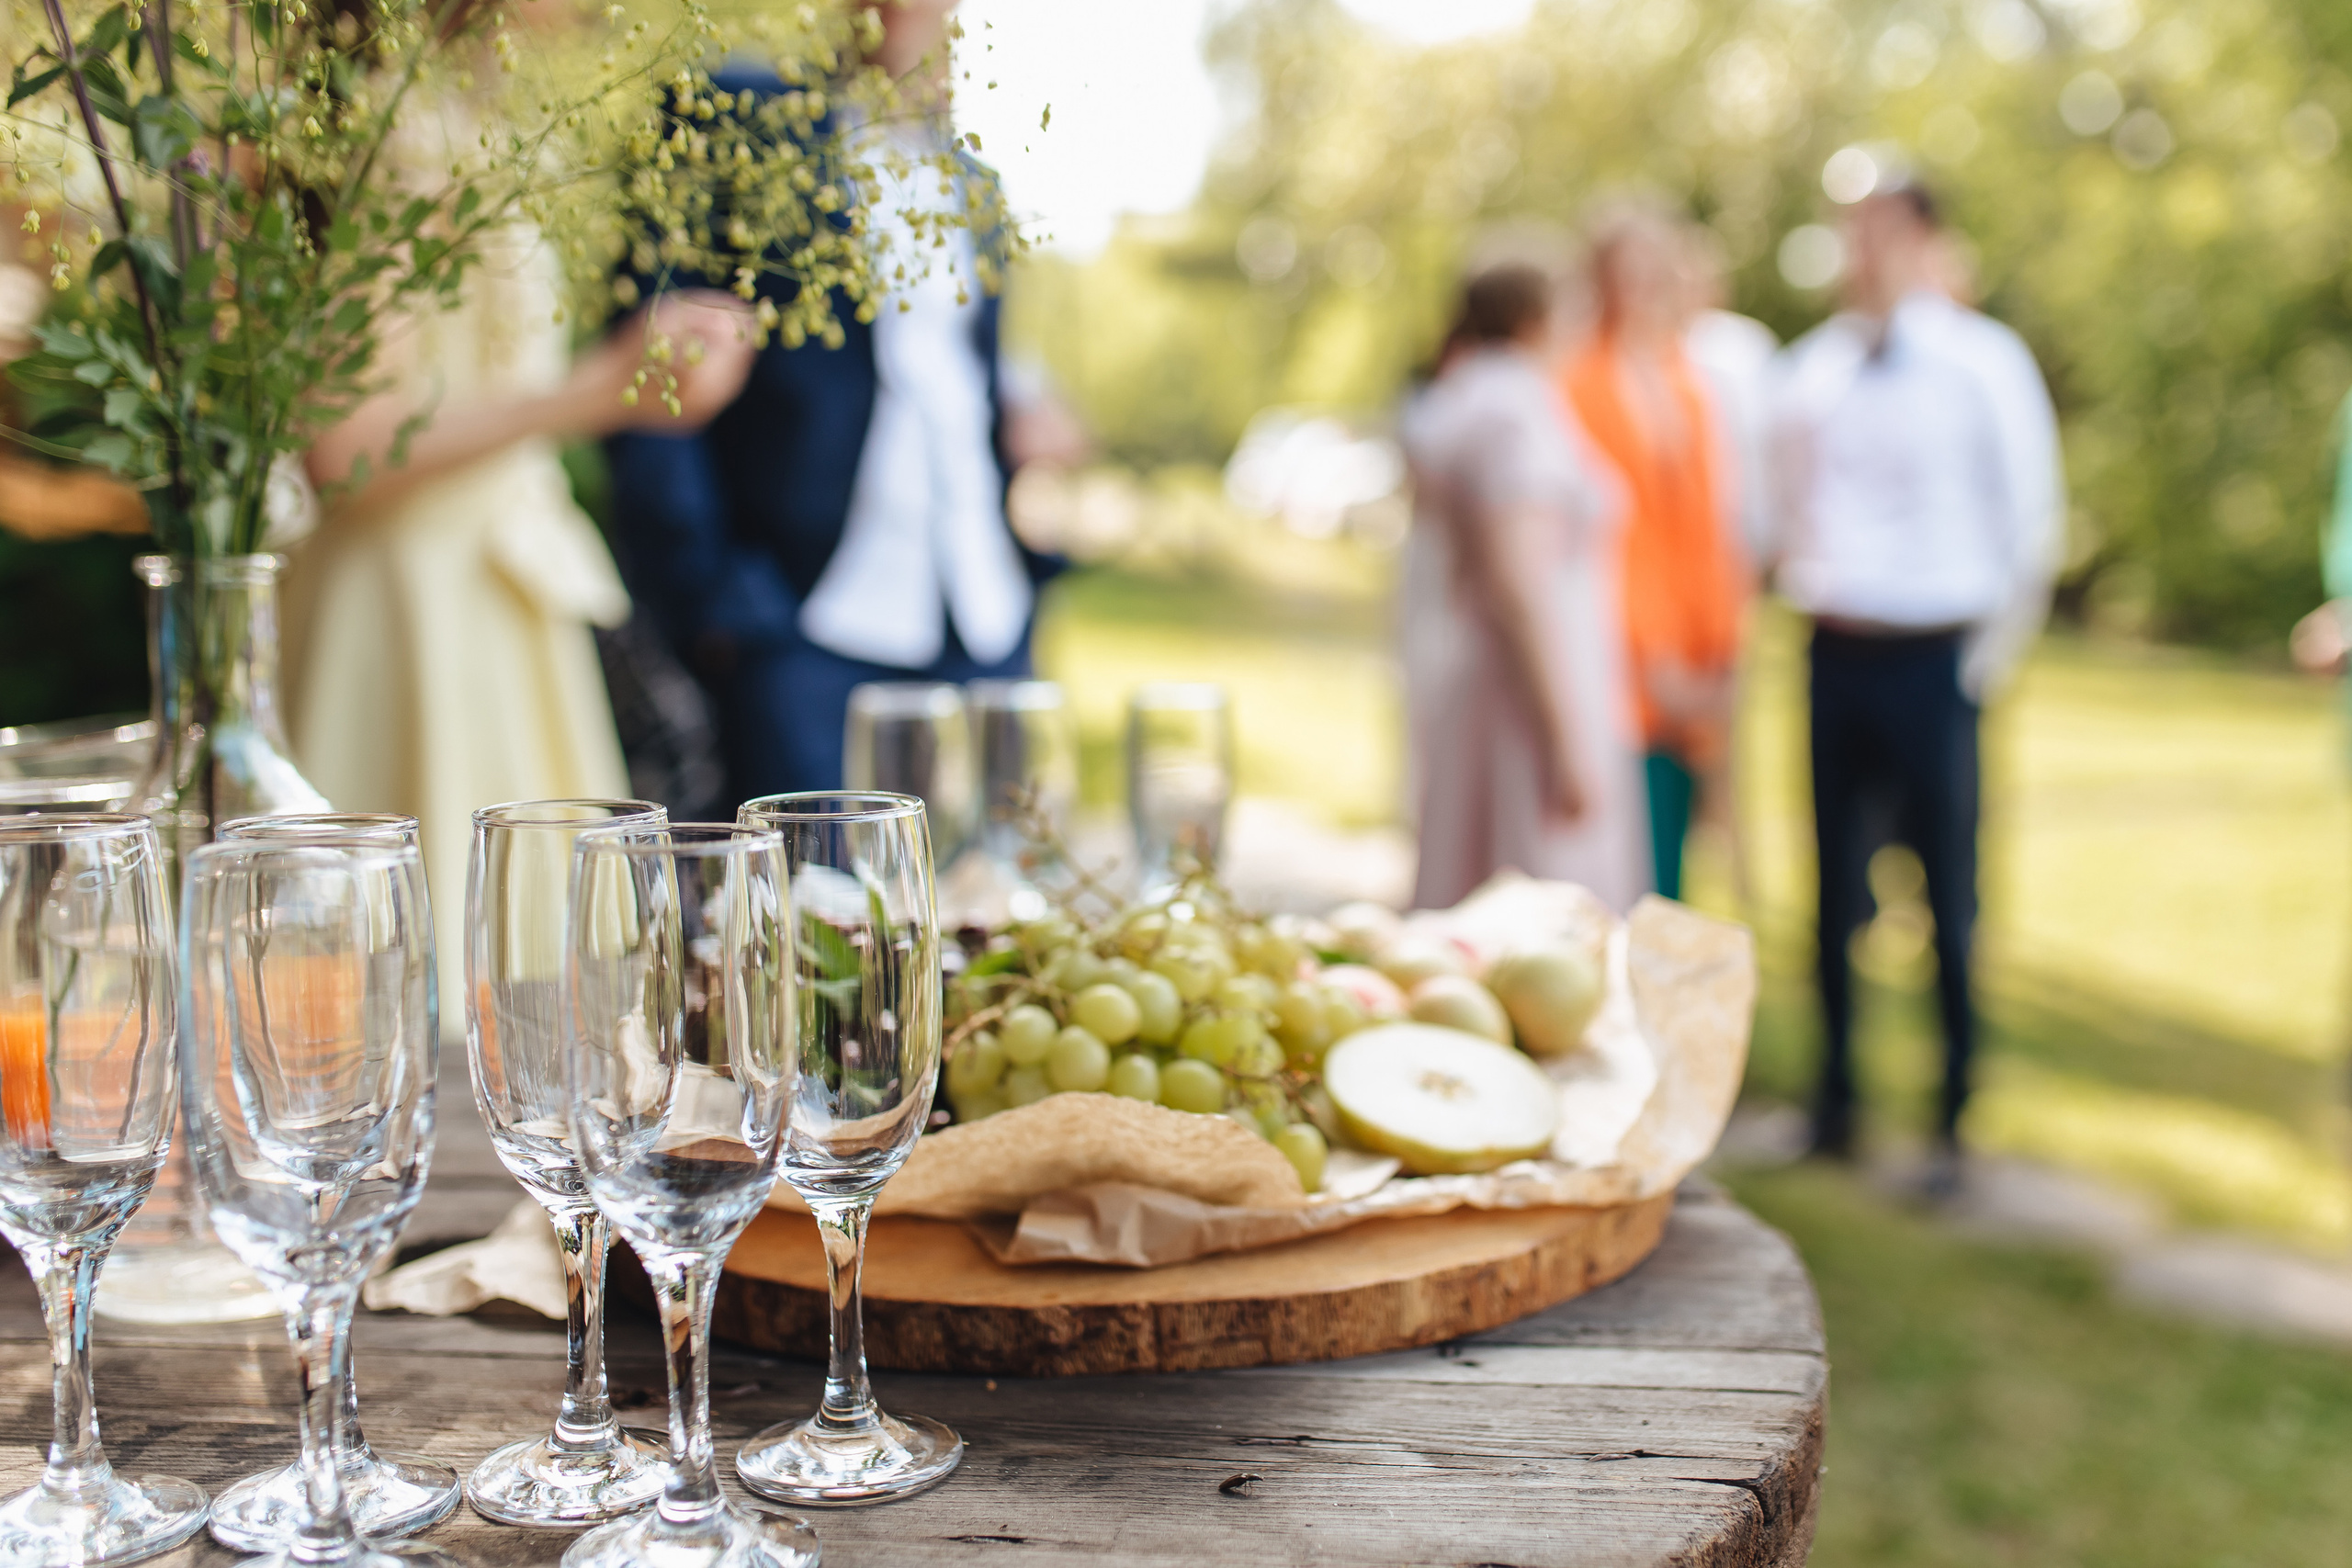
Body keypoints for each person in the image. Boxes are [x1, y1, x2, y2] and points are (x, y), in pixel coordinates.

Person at [285, 198, 755, 1000]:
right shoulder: (395, 148)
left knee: (542, 989)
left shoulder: (493, 145)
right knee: (419, 990)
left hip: (502, 605)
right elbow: (345, 443)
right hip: (414, 617)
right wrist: (602, 388)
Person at [605, 0, 1057, 804]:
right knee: (815, 883)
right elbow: (651, 366)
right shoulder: (738, 118)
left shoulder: (977, 184)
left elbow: (965, 383)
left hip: (987, 623)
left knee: (998, 875)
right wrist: (714, 600)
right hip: (805, 630)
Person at [1766, 176, 2063, 1184]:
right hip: (1835, 648)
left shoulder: (1983, 363)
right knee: (1831, 885)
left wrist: (1982, 666)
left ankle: (1951, 1118)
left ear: (1925, 238)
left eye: (1884, 228)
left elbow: (2030, 518)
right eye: (1852, 228)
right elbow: (1786, 507)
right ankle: (1835, 1102)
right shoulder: (1812, 371)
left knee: (1947, 887)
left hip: (1936, 656)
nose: (1865, 247)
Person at [1402, 263, 1648, 912]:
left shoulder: (1462, 397)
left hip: (1486, 677)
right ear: (1535, 319)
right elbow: (1516, 581)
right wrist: (1562, 742)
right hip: (1530, 691)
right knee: (1540, 903)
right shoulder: (1517, 408)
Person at [1561, 205, 1748, 902]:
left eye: (1655, 270)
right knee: (1620, 866)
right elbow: (1607, 535)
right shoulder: (1576, 383)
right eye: (1627, 271)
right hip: (1620, 658)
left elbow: (1710, 528)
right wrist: (1650, 652)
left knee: (1673, 867)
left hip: (1693, 667)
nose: (1644, 287)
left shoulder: (1689, 385)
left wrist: (1721, 650)